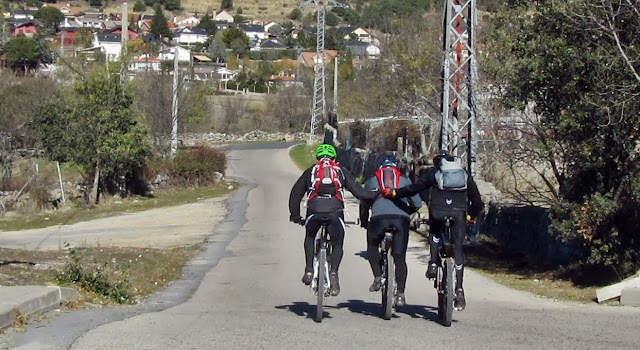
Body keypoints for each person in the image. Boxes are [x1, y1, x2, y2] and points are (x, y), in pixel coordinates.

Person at [381, 150, 484, 310]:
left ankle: (433, 263)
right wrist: (470, 216)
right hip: (459, 213)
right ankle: (459, 290)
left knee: (435, 233)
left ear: (437, 162)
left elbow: (414, 188)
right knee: (458, 249)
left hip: (438, 211)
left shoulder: (434, 173)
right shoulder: (464, 174)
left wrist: (395, 193)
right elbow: (477, 201)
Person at [289, 144, 377, 296]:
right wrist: (376, 194)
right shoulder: (341, 171)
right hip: (335, 213)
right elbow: (360, 193)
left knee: (310, 237)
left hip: (314, 211)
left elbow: (295, 194)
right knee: (337, 244)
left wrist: (295, 216)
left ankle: (309, 270)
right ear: (334, 158)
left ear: (317, 158)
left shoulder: (311, 172)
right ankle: (334, 274)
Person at [359, 157, 422, 307]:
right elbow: (418, 203)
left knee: (372, 246)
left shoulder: (372, 181)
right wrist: (408, 212)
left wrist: (364, 221)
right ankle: (400, 294)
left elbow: (364, 203)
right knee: (400, 257)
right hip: (401, 220)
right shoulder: (405, 180)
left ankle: (377, 277)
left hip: (378, 219)